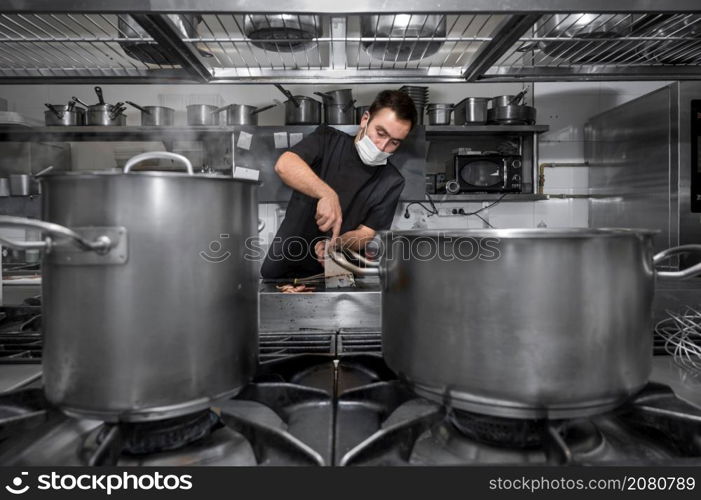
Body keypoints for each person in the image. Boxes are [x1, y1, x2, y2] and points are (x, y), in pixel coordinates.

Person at [260, 89, 416, 279]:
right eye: (380, 133)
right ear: (365, 120)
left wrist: (337, 244)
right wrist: (327, 194)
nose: (382, 147)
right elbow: (285, 164)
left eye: (394, 142)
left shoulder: (392, 181)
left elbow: (366, 233)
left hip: (341, 275)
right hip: (285, 269)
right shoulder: (327, 140)